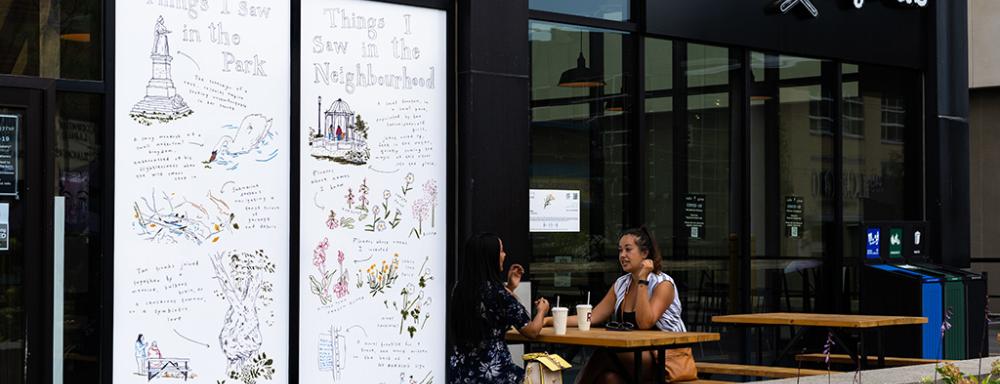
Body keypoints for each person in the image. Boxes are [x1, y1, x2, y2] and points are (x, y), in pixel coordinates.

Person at [549, 227, 686, 384]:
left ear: (645, 253)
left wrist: (642, 281)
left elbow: (645, 323)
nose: (622, 255)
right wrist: (549, 320)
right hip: (635, 356)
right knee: (608, 379)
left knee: (605, 353)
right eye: (620, 250)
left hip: (667, 359)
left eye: (628, 250)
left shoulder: (663, 284)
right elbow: (592, 317)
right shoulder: (622, 284)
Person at [448, 233, 550, 384]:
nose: (504, 254)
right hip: (496, 374)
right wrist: (542, 310)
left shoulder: (459, 289)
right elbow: (532, 331)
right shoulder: (498, 294)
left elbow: (486, 309)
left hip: (462, 373)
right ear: (491, 257)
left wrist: (509, 287)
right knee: (545, 378)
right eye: (501, 251)